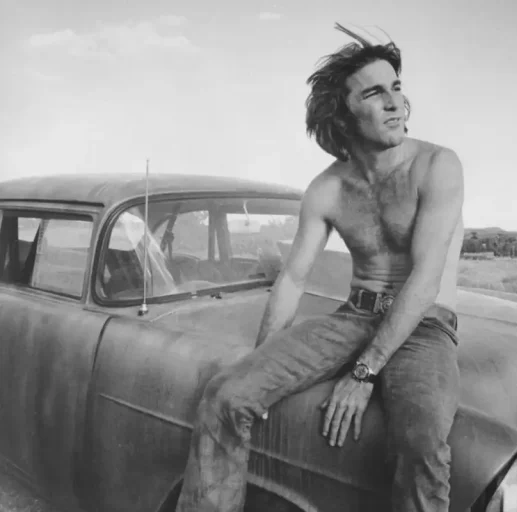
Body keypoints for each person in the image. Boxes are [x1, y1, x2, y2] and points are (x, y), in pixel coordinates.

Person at [175, 22, 465, 512]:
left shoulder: (438, 166)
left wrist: (364, 373)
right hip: (353, 314)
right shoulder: (327, 188)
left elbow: (426, 277)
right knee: (225, 396)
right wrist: (261, 363)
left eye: (397, 87)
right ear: (344, 116)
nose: (396, 102)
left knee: (422, 440)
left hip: (425, 323)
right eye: (375, 93)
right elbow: (293, 278)